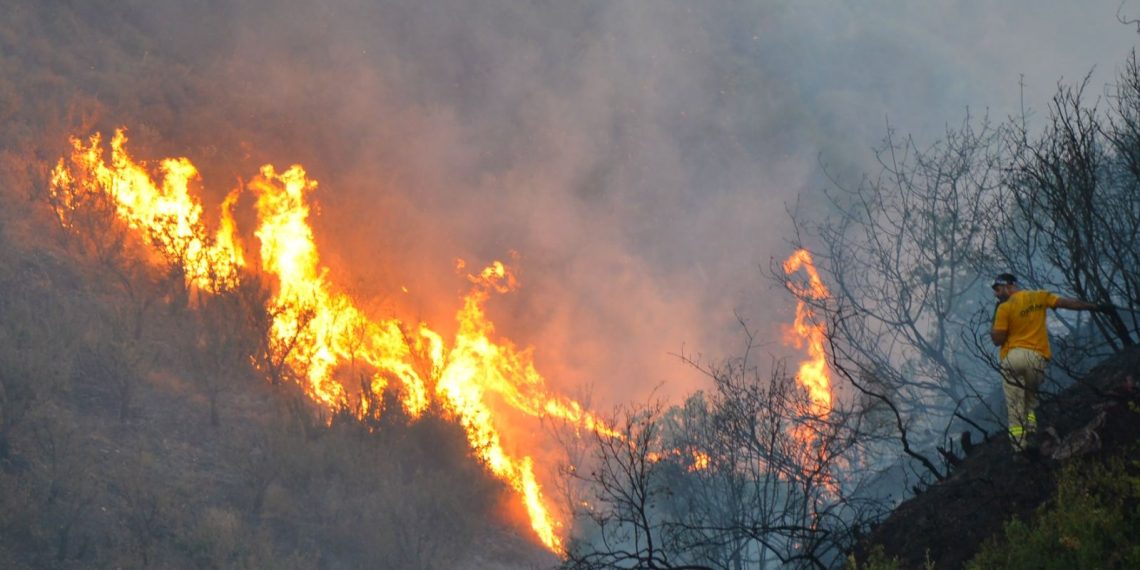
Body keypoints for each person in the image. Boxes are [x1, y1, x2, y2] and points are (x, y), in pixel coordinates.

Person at [989, 273, 1105, 455]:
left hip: (1013, 358)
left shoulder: (1004, 308)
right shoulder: (1039, 296)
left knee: (1015, 405)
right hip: (1037, 359)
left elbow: (997, 339)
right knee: (1029, 400)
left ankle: (1020, 449)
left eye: (998, 289)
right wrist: (1096, 306)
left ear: (1010, 285)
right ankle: (1033, 435)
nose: (996, 294)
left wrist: (995, 320)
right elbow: (1068, 303)